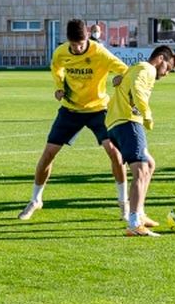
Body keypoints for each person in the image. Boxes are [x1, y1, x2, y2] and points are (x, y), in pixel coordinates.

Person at [19, 18, 133, 221]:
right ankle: (36, 200)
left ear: (88, 37)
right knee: (48, 154)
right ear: (68, 41)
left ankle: (124, 203)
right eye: (74, 45)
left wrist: (120, 78)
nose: (78, 48)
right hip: (70, 110)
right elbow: (56, 68)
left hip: (99, 110)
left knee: (114, 154)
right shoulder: (61, 52)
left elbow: (126, 70)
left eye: (80, 44)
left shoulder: (99, 53)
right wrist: (59, 87)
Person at [108, 45, 175, 236]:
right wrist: (147, 115)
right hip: (128, 121)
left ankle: (139, 213)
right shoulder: (147, 68)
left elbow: (123, 80)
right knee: (141, 170)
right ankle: (133, 223)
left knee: (150, 164)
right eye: (168, 69)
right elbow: (137, 88)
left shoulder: (136, 68)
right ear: (161, 59)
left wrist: (119, 80)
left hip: (116, 122)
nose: (166, 74)